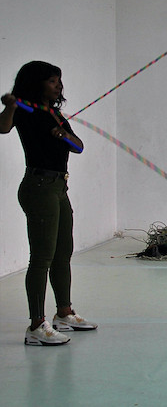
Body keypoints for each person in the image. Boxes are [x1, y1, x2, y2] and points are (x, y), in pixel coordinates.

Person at [0, 61, 98, 346]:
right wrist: (11, 105)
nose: (58, 86)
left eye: (59, 81)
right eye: (53, 81)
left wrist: (64, 135)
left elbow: (79, 146)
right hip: (38, 186)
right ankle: (36, 325)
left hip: (58, 187)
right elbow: (3, 128)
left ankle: (64, 314)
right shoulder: (26, 110)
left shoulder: (53, 114)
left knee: (62, 252)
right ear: (36, 83)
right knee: (41, 257)